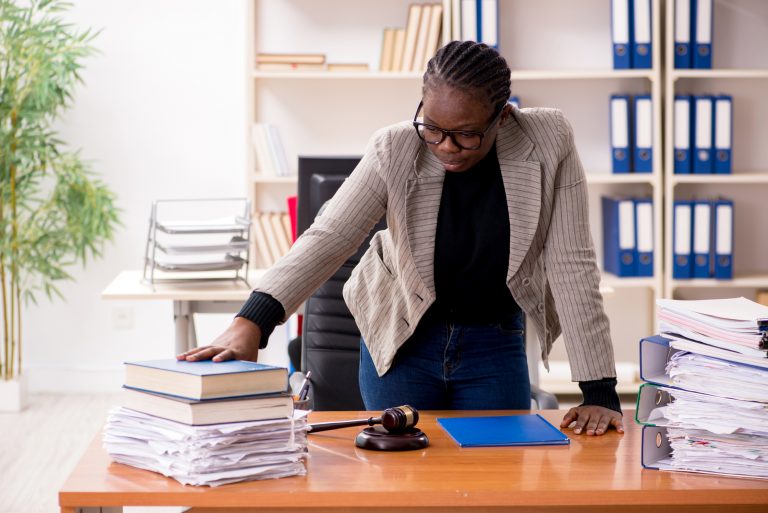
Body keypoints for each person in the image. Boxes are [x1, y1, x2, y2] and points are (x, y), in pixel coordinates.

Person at [179, 41, 624, 437]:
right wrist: (251, 322)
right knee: (401, 483)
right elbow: (331, 235)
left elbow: (571, 263)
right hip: (402, 336)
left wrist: (598, 390)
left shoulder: (548, 141)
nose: (446, 146)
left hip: (495, 340)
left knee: (496, 481)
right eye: (432, 128)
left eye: (466, 134)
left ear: (502, 116)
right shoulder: (395, 147)